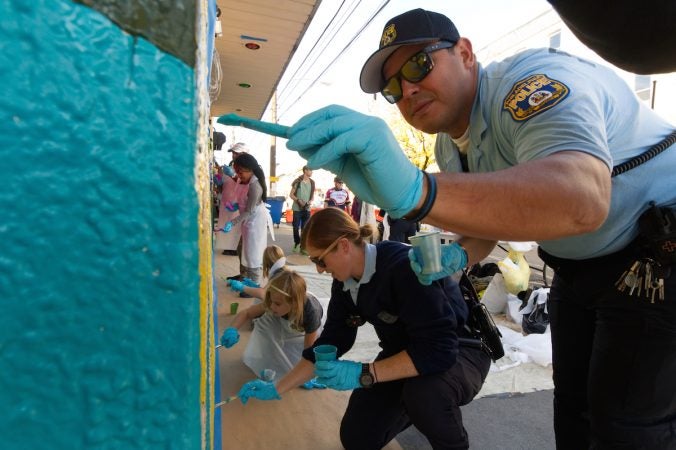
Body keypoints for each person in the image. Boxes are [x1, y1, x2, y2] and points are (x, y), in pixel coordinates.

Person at [282, 8, 676, 448]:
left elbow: (583, 200)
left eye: (418, 64)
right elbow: (487, 227)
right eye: (393, 87)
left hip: (654, 256)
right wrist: (459, 257)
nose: (407, 88)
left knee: (628, 428)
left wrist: (420, 191)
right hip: (578, 268)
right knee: (573, 412)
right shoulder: (450, 147)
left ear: (466, 53)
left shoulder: (530, 83)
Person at [236, 207, 491, 449]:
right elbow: (331, 342)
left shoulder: (402, 268)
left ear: (344, 246)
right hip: (406, 353)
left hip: (461, 351)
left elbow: (439, 350)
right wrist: (278, 387)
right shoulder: (346, 284)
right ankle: (414, 410)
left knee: (425, 395)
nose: (319, 270)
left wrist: (366, 373)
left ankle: (445, 435)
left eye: (320, 260)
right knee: (357, 438)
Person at [220, 269, 324, 380]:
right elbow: (247, 313)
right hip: (287, 316)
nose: (272, 307)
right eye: (271, 301)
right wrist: (232, 329)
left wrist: (305, 375)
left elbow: (308, 352)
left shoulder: (311, 312)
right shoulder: (275, 301)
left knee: (299, 357)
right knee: (264, 324)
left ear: (293, 303)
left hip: (304, 325)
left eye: (277, 304)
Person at [220, 152, 271, 286]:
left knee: (253, 252)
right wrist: (236, 205)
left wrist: (232, 222)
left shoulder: (255, 186)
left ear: (250, 170)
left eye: (241, 172)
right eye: (237, 172)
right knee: (243, 249)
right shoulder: (245, 179)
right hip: (248, 218)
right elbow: (245, 201)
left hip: (255, 220)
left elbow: (249, 210)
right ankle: (245, 277)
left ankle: (254, 283)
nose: (238, 175)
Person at [215, 142, 250, 257]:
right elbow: (221, 187)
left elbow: (245, 183)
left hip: (241, 204)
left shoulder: (248, 169)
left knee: (238, 229)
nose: (233, 155)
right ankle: (229, 248)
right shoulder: (230, 168)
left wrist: (233, 176)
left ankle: (235, 249)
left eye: (236, 153)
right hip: (228, 203)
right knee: (228, 226)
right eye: (233, 153)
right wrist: (218, 179)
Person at [289, 165, 315, 254]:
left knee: (305, 229)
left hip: (307, 209)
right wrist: (298, 200)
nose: (312, 172)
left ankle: (303, 247)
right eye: (310, 170)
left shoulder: (312, 182)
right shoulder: (297, 182)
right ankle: (297, 242)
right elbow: (291, 195)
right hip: (297, 208)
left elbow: (312, 197)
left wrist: (309, 202)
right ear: (305, 171)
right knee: (295, 227)